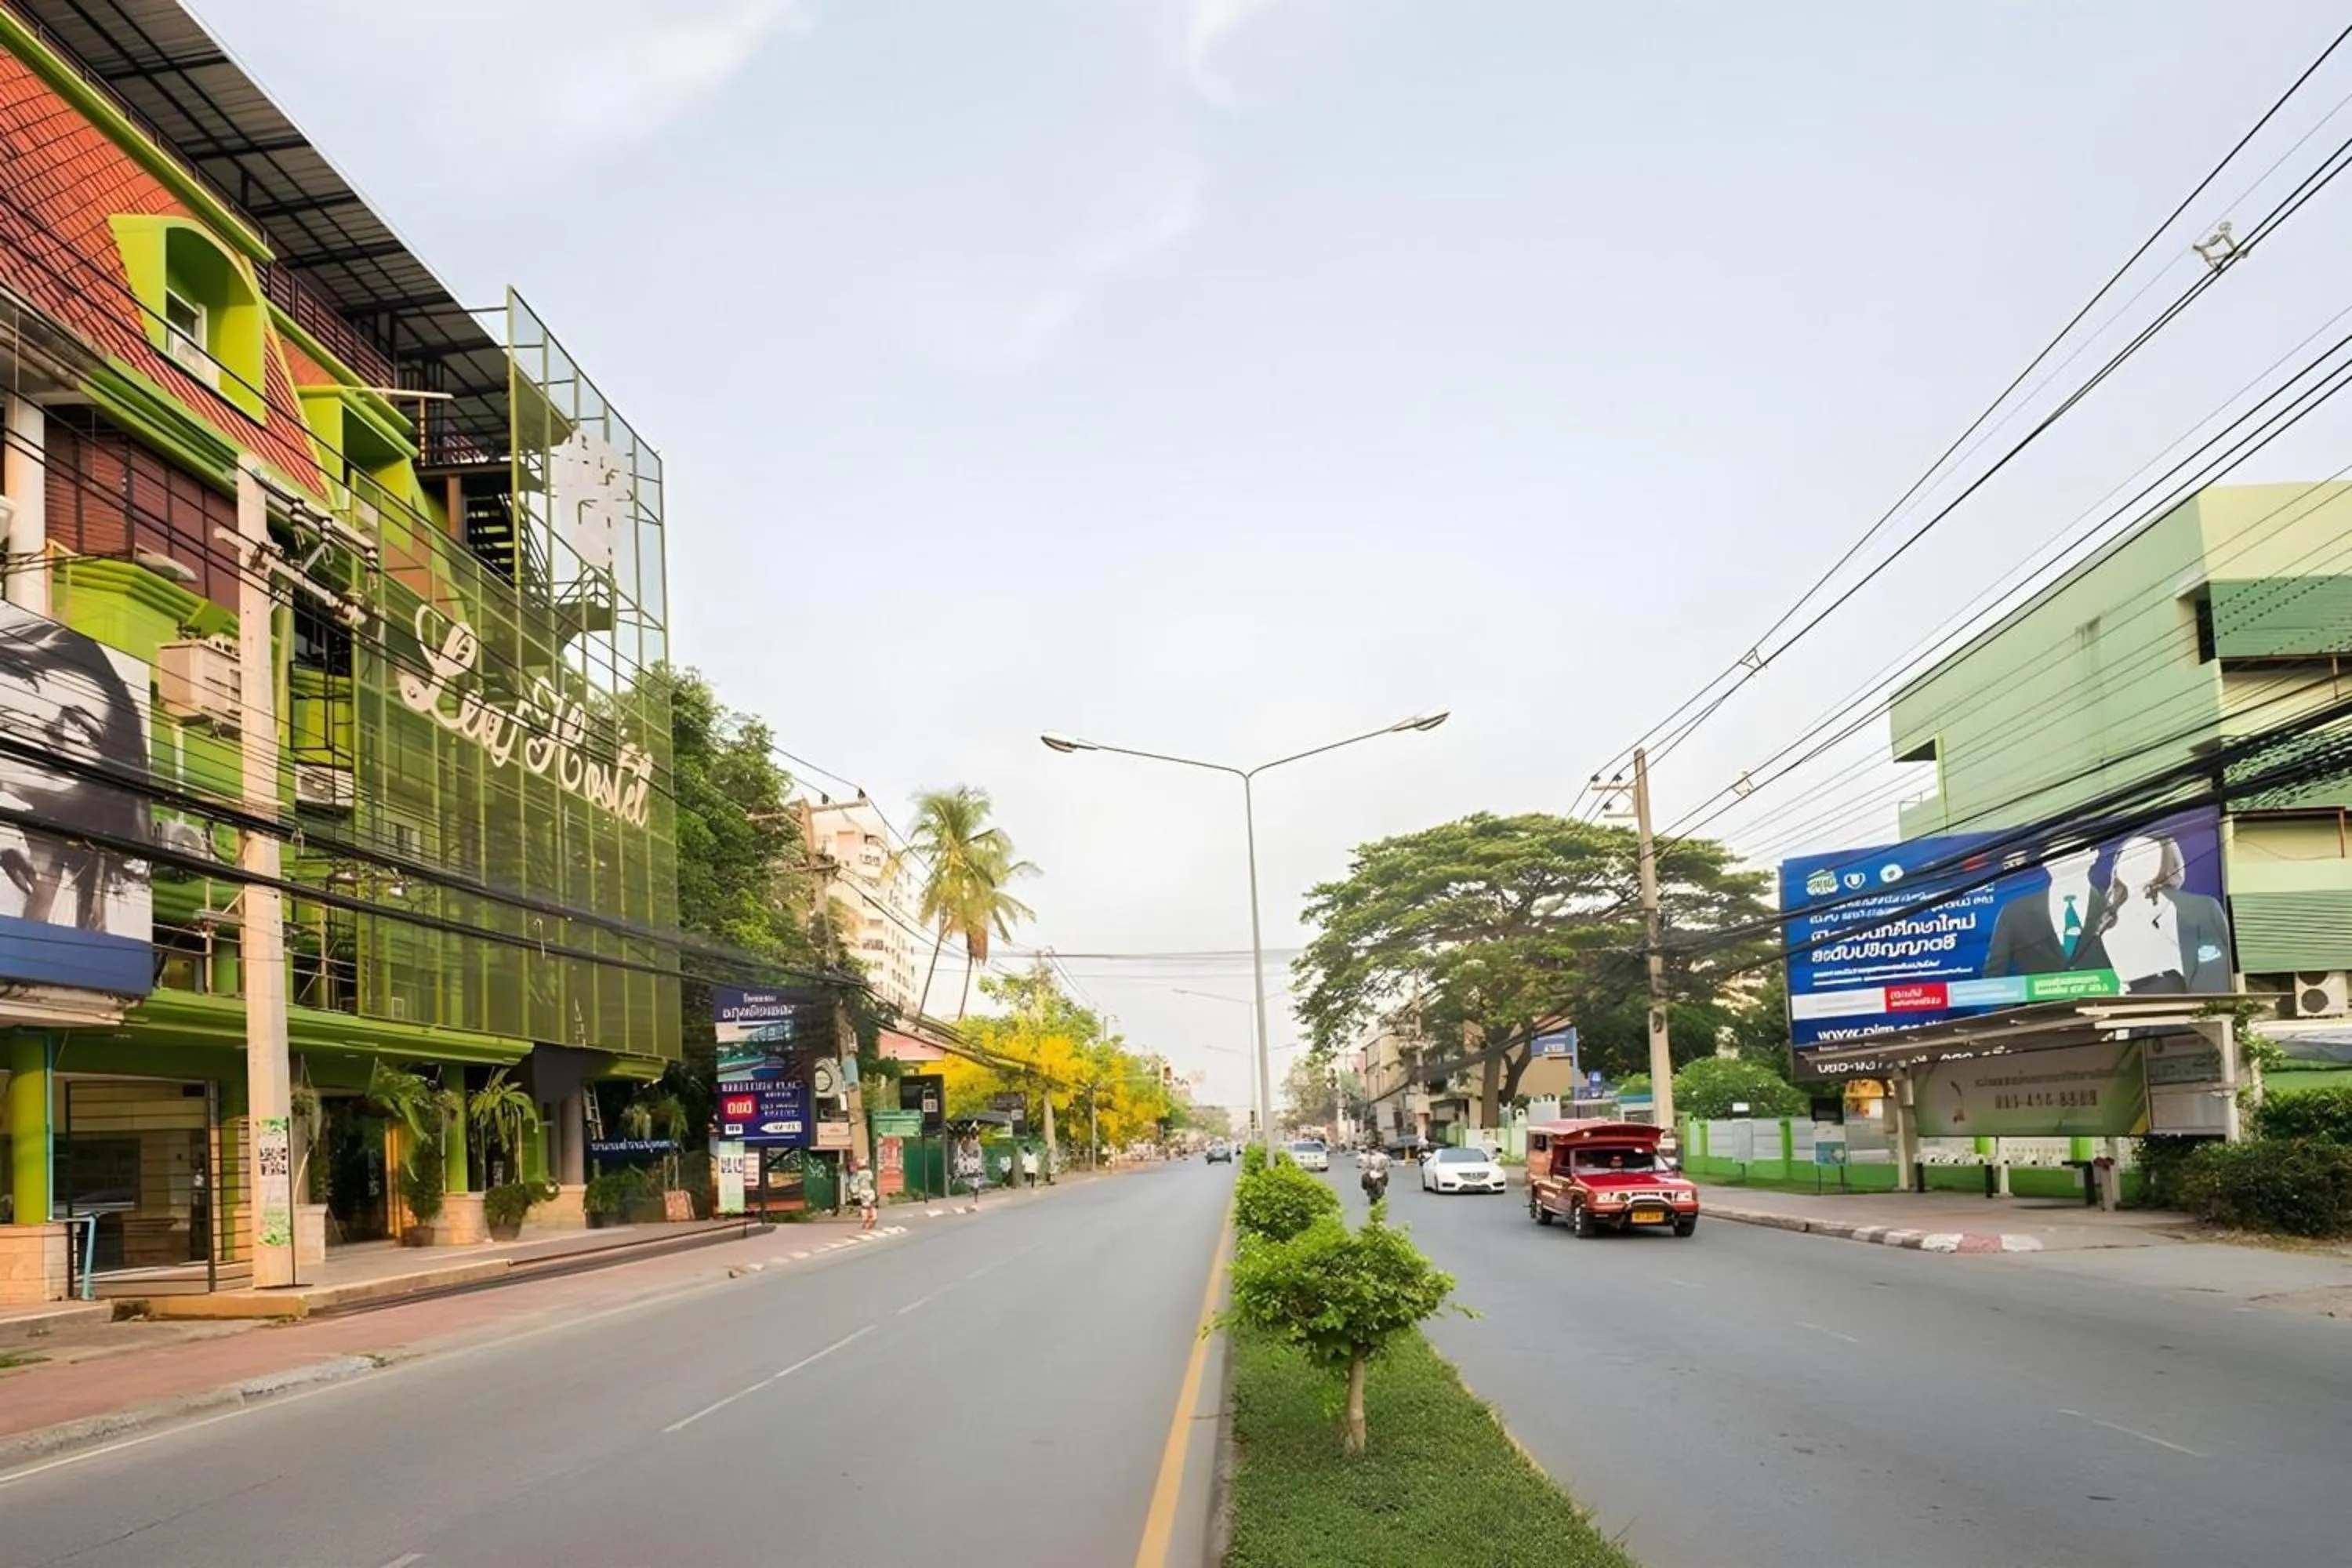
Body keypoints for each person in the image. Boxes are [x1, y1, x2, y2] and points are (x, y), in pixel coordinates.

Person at [2090, 833, 2232, 993]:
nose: (2134, 864)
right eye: (2128, 857)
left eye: (2145, 858)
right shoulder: (2107, 914)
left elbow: (2215, 966)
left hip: (2172, 991)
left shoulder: (2195, 908)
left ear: (2165, 865)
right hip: (2126, 995)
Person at [846, 1157, 877, 1231]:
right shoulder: (869, 1172)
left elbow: (855, 1183)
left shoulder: (858, 1173)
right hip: (869, 1190)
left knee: (864, 1206)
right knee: (871, 1205)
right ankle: (873, 1217)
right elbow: (872, 1182)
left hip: (862, 1191)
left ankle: (865, 1219)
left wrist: (854, 1192)